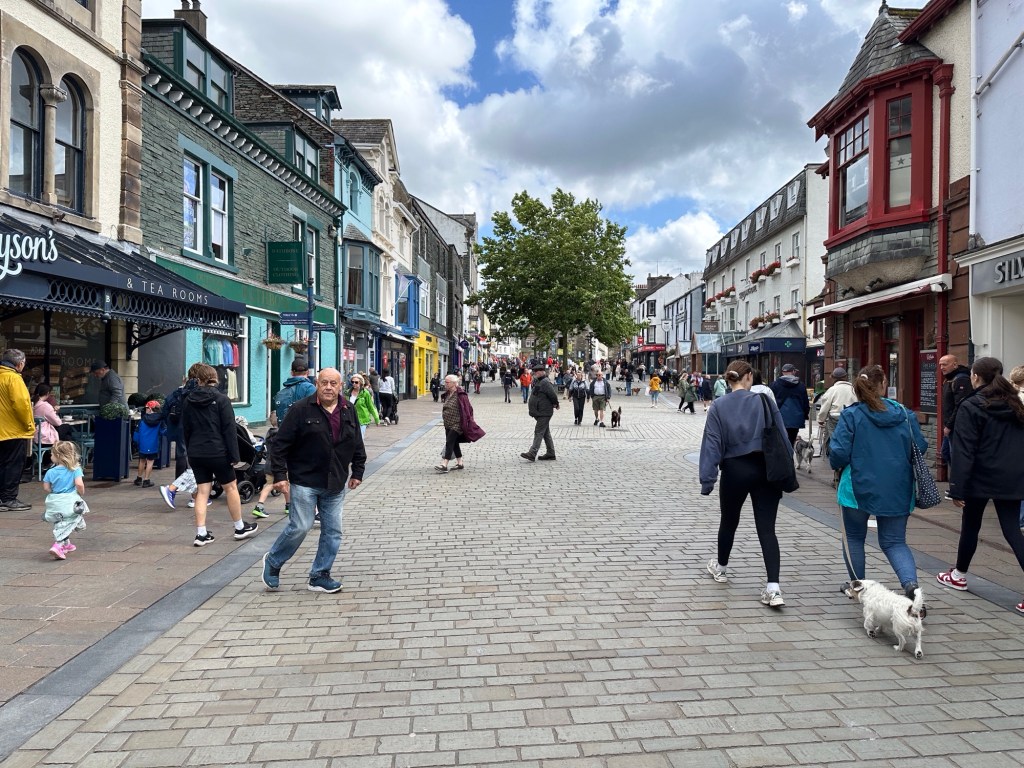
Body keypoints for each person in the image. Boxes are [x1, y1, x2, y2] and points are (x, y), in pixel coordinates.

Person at [829, 364, 928, 603]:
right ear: (884, 385)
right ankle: (911, 586)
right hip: (897, 486)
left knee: (854, 537)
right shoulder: (905, 414)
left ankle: (858, 587)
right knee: (895, 541)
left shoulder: (852, 415)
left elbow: (838, 454)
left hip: (856, 486)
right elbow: (920, 447)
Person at [261, 368, 366, 594]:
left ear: (341, 386)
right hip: (305, 480)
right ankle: (274, 561)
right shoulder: (300, 409)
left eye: (333, 383)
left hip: (335, 481)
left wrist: (358, 471)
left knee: (333, 531)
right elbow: (280, 445)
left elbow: (357, 442)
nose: (328, 387)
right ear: (316, 384)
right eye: (324, 383)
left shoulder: (348, 409)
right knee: (301, 526)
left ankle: (319, 575)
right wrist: (280, 475)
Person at [936, 357, 1024, 614]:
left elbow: (964, 451)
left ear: (975, 377)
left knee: (971, 525)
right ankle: (958, 573)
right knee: (1012, 530)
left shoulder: (972, 405)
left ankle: (959, 575)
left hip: (979, 476)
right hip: (1012, 475)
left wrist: (957, 488)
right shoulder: (1015, 404)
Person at [700, 360, 789, 607]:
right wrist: (787, 471)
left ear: (729, 379)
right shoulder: (765, 401)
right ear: (749, 376)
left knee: (729, 521)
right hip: (766, 469)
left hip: (735, 469)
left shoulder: (719, 405)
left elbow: (712, 444)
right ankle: (773, 588)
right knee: (767, 529)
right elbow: (782, 437)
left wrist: (707, 479)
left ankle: (721, 568)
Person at [181, 363, 258, 547]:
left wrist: (190, 451)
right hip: (218, 452)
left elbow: (186, 429)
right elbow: (229, 430)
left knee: (202, 491)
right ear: (213, 377)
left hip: (196, 452)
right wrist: (234, 456)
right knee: (231, 488)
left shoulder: (188, 401)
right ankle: (239, 528)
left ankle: (201, 534)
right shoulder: (222, 399)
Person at [0, 349, 35, 512]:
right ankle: (8, 499)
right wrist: (29, 425)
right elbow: (21, 405)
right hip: (12, 430)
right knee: (13, 465)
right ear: (20, 364)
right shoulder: (13, 378)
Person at [41, 441, 88, 560]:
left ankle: (67, 545)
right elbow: (79, 484)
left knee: (61, 521)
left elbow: (46, 488)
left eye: (52, 454)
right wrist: (81, 492)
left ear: (58, 456)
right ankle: (58, 545)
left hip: (55, 501)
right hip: (69, 501)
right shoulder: (75, 469)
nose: (51, 456)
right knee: (71, 519)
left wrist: (54, 491)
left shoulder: (50, 472)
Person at [436, 374, 485, 472]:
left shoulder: (461, 394)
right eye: (445, 382)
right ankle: (460, 463)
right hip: (448, 423)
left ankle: (444, 464)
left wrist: (468, 421)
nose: (445, 384)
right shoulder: (448, 393)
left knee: (449, 442)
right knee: (454, 443)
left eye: (447, 382)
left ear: (454, 383)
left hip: (457, 424)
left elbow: (468, 409)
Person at [938, 353, 973, 478]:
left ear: (954, 364)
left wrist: (949, 425)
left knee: (956, 457)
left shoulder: (961, 379)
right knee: (945, 453)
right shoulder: (949, 379)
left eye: (945, 364)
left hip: (957, 427)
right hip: (950, 427)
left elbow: (960, 405)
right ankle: (956, 482)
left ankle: (958, 484)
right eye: (940, 365)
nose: (942, 367)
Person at [521, 363, 559, 462]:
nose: (535, 373)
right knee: (545, 433)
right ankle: (551, 453)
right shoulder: (539, 381)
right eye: (534, 372)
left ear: (542, 372)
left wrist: (556, 404)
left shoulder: (545, 382)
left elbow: (553, 395)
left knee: (538, 431)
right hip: (540, 412)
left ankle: (532, 453)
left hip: (544, 412)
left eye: (537, 372)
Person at [816, 367, 857, 457]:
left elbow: (825, 406)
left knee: (835, 437)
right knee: (850, 437)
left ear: (833, 378)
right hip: (851, 417)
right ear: (846, 377)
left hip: (836, 417)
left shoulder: (832, 390)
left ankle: (836, 454)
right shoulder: (853, 389)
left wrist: (821, 419)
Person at [770, 363, 810, 446]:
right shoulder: (801, 386)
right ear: (793, 371)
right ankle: (790, 453)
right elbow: (805, 404)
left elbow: (771, 402)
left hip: (779, 418)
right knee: (791, 441)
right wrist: (805, 415)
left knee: (781, 442)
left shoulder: (774, 385)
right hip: (796, 419)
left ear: (782, 372)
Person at [272, 357, 317, 426]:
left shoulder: (281, 393)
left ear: (292, 373)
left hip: (284, 430)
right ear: (308, 372)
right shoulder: (310, 388)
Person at [132, 400, 164, 488]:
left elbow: (137, 433)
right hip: (153, 444)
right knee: (150, 462)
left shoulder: (142, 420)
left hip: (143, 444)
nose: (145, 409)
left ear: (150, 409)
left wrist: (136, 441)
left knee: (142, 461)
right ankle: (146, 480)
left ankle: (139, 478)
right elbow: (163, 431)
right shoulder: (160, 420)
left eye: (146, 408)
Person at [33, 384, 74, 450]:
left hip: (34, 435)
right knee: (67, 428)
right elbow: (58, 422)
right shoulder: (45, 406)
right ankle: (68, 452)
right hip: (44, 436)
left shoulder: (32, 404)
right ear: (47, 393)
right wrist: (54, 411)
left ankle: (65, 452)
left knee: (67, 436)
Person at [346, 374, 379, 438]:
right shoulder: (347, 393)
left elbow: (371, 406)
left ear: (361, 383)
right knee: (351, 438)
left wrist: (376, 418)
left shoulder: (365, 393)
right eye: (352, 382)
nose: (354, 384)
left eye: (356, 382)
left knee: (360, 437)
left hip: (362, 419)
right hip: (350, 420)